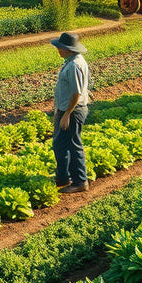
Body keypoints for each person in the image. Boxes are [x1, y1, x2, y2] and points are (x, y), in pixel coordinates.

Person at [51, 31, 90, 193]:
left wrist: (66, 114)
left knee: (72, 145)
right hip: (68, 109)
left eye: (60, 47)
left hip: (72, 111)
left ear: (68, 49)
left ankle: (80, 181)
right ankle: (63, 177)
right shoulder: (73, 61)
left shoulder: (74, 65)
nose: (58, 50)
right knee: (61, 144)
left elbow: (76, 93)